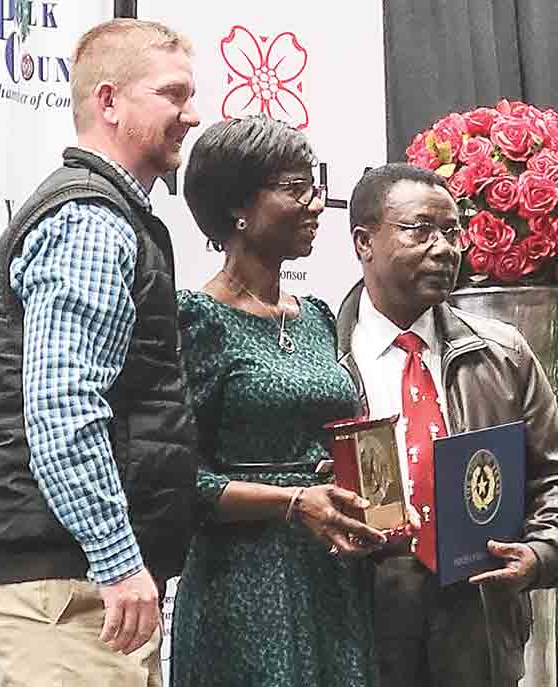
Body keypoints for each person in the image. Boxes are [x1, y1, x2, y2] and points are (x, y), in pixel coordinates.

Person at [0, 19, 200, 686]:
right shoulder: (91, 221)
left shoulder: (110, 216)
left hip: (85, 582)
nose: (193, 113)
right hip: (73, 585)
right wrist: (118, 559)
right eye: (173, 94)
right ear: (108, 102)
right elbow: (64, 405)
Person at [339, 163, 558, 687]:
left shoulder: (502, 353)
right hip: (358, 612)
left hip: (475, 615)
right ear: (364, 242)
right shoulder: (320, 355)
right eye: (420, 230)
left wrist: (541, 552)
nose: (445, 248)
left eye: (452, 231)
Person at [170, 116, 387, 687]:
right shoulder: (195, 319)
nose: (317, 202)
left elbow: (347, 443)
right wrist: (293, 501)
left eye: (313, 184)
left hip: (332, 578)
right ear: (238, 208)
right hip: (244, 585)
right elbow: (175, 480)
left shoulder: (318, 316)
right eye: (295, 189)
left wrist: (385, 503)